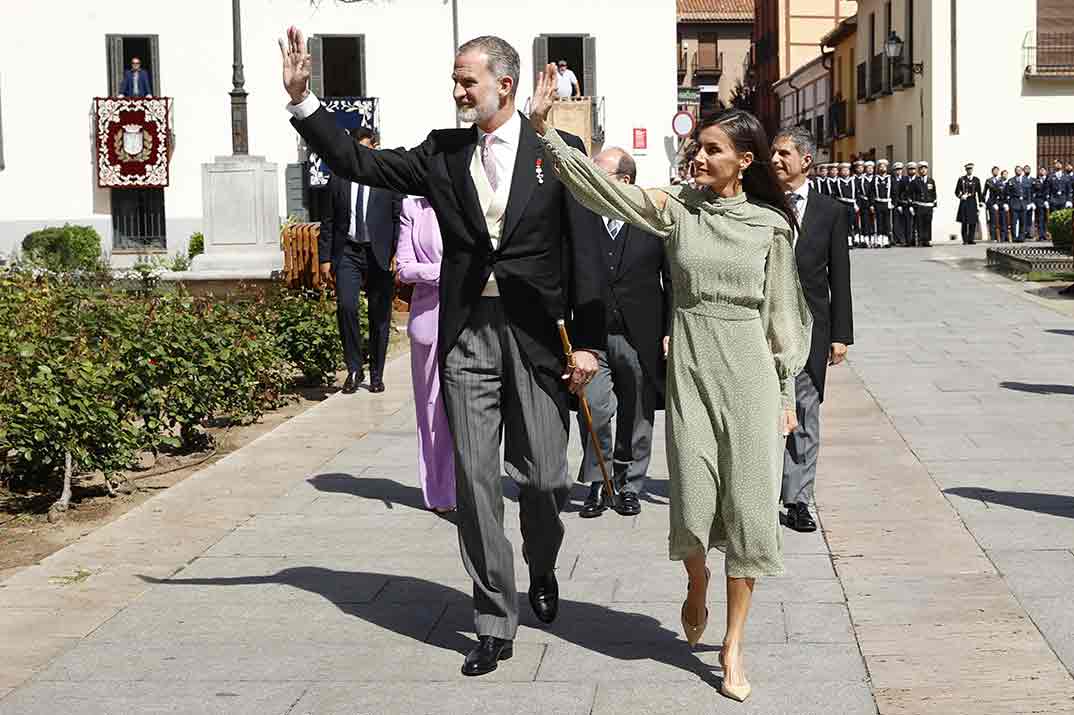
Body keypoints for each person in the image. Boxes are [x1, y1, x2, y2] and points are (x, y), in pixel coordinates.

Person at [283, 30, 604, 677]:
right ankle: (493, 616)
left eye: (467, 82)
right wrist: (303, 103)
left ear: (504, 86)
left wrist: (590, 340)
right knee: (476, 478)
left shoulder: (555, 151)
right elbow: (361, 165)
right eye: (455, 82)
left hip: (534, 334)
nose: (457, 92)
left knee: (546, 476)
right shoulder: (443, 152)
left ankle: (540, 561)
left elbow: (586, 247)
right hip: (466, 336)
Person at [533, 68, 812, 700]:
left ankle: (735, 646)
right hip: (689, 370)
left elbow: (785, 317)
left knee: (749, 509)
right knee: (691, 500)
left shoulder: (770, 227)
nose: (700, 156)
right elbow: (605, 193)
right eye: (699, 146)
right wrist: (547, 133)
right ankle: (695, 581)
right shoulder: (676, 210)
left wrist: (788, 394)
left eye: (714, 148)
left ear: (744, 161)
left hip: (750, 377)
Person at [573, 147, 671, 519]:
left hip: (640, 334)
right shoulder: (581, 215)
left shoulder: (652, 219)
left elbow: (672, 279)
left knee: (638, 413)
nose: (591, 178)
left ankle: (630, 484)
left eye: (600, 172)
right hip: (592, 336)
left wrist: (668, 330)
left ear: (624, 181)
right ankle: (600, 482)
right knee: (594, 408)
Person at [771, 127, 853, 534]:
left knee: (805, 413)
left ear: (806, 160)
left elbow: (840, 276)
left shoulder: (830, 211)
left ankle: (798, 499)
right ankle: (764, 494)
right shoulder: (760, 205)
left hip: (811, 330)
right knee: (767, 414)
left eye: (784, 153)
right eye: (773, 152)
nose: (775, 160)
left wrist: (841, 334)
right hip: (765, 330)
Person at [318, 127, 401, 394]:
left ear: (374, 146)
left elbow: (400, 217)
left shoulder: (387, 177)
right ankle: (354, 368)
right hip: (348, 252)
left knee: (379, 314)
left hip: (379, 252)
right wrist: (325, 257)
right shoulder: (339, 176)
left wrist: (399, 252)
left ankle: (377, 373)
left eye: (363, 146)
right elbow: (328, 220)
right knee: (347, 307)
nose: (358, 152)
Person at [395, 196, 455, 512]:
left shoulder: (468, 196)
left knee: (468, 408)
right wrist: (446, 272)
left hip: (473, 315)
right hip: (429, 318)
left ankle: (470, 483)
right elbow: (404, 268)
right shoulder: (412, 208)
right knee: (432, 409)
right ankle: (439, 490)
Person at [954, 163, 984, 245]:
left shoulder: (976, 180)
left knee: (972, 221)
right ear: (966, 170)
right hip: (964, 202)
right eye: (968, 169)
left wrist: (981, 202)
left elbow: (979, 192)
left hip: (972, 201)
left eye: (970, 169)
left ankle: (971, 239)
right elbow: (956, 191)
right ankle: (965, 239)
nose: (969, 171)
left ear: (972, 170)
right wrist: (961, 196)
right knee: (964, 221)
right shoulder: (961, 179)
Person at [911, 161, 937, 247]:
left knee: (928, 223)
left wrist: (934, 205)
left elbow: (934, 193)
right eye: (921, 169)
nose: (923, 170)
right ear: (919, 170)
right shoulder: (915, 181)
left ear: (927, 170)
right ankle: (920, 240)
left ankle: (927, 240)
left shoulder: (931, 180)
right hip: (919, 205)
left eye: (925, 169)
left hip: (929, 206)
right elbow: (911, 194)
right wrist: (912, 206)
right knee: (920, 224)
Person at [833, 162, 857, 249]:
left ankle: (850, 240)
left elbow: (857, 194)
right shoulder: (837, 182)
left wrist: (856, 204)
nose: (845, 172)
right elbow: (834, 195)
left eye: (847, 170)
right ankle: (843, 241)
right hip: (842, 204)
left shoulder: (853, 181)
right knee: (842, 224)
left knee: (851, 223)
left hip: (851, 204)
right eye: (843, 170)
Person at [871, 159, 893, 248]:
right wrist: (872, 204)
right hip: (878, 202)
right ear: (878, 168)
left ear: (886, 168)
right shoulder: (875, 179)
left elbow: (894, 192)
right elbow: (871, 192)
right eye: (880, 166)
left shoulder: (890, 178)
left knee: (887, 222)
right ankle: (879, 240)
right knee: (879, 222)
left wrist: (893, 203)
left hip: (887, 202)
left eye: (884, 166)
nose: (882, 168)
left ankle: (886, 240)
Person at [1008, 165, 1031, 243]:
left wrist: (1029, 203)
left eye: (1020, 170)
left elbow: (1028, 192)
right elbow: (1008, 193)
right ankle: (1014, 237)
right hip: (1015, 203)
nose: (1018, 171)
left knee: (1023, 221)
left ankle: (1021, 237)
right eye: (1017, 170)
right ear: (1015, 171)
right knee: (1014, 221)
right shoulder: (1011, 180)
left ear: (1022, 171)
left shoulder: (1026, 180)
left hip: (1023, 203)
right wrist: (1010, 203)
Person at [983, 166, 1007, 242]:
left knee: (1002, 219)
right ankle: (993, 237)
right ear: (992, 172)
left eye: (997, 171)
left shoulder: (1001, 180)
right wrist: (982, 202)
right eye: (994, 171)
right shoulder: (988, 180)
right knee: (993, 220)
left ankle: (1002, 237)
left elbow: (1004, 192)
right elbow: (984, 192)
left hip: (1000, 202)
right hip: (992, 202)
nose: (996, 172)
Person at [853, 159, 871, 248]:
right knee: (856, 221)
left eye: (861, 167)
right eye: (858, 168)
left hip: (865, 202)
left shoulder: (866, 179)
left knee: (865, 221)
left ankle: (865, 239)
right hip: (856, 201)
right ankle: (856, 238)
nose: (860, 169)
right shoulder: (853, 179)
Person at [1032, 166, 1050, 241]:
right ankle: (1041, 235)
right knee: (1040, 218)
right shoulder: (1036, 180)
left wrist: (1047, 200)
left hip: (1048, 201)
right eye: (1041, 170)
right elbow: (1033, 191)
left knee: (1047, 219)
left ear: (1046, 172)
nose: (1042, 171)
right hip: (1039, 201)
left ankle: (1047, 234)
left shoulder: (1049, 179)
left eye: (1043, 170)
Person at [904, 162, 919, 246]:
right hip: (906, 205)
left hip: (916, 205)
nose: (912, 170)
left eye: (913, 169)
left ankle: (915, 240)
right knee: (908, 224)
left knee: (916, 224)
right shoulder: (904, 180)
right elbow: (901, 192)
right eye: (910, 169)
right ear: (907, 170)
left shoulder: (918, 180)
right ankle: (908, 241)